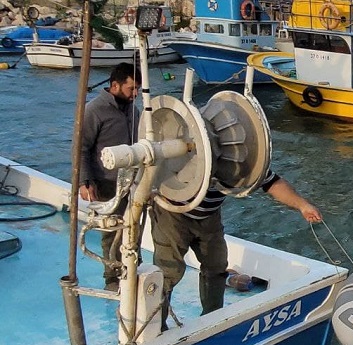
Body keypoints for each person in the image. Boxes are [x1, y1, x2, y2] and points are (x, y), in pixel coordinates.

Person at [151, 171, 322, 331]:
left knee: (216, 265)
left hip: (209, 216)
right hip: (172, 213)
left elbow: (271, 181)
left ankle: (212, 320)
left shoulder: (240, 154)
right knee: (168, 273)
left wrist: (303, 205)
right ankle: (155, 328)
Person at [78, 62, 141, 291]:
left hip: (130, 182)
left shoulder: (133, 110)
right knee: (110, 232)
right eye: (131, 88)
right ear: (115, 85)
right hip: (104, 182)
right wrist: (85, 182)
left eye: (137, 90)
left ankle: (132, 270)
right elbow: (81, 147)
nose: (135, 94)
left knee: (134, 229)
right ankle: (112, 279)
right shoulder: (94, 110)